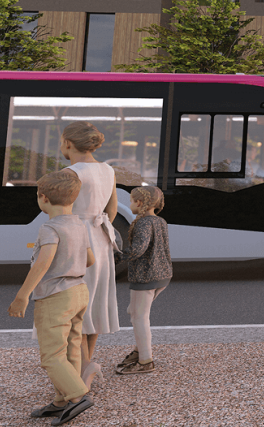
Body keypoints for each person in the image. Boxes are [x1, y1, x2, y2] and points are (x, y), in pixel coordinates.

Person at [10, 169, 95, 424]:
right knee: (71, 348)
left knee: (51, 356)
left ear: (42, 197)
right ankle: (61, 401)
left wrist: (22, 296)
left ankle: (77, 396)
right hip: (79, 291)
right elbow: (90, 259)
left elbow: (42, 264)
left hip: (55, 296)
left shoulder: (49, 228)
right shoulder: (79, 224)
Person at [60, 122, 118, 392]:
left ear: (68, 143)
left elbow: (62, 212)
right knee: (92, 305)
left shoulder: (70, 172)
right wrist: (98, 227)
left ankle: (84, 368)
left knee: (74, 307)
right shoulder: (108, 170)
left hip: (77, 241)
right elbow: (112, 209)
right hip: (101, 238)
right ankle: (86, 368)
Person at [116, 186, 170, 376]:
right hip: (162, 275)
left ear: (139, 203)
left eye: (131, 201)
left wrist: (117, 255)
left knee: (139, 317)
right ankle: (140, 349)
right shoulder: (160, 221)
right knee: (134, 311)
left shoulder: (143, 223)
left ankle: (145, 360)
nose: (130, 204)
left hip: (146, 276)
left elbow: (139, 248)